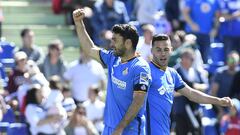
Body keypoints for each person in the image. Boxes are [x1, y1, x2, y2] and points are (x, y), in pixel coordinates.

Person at [73, 8, 151, 135]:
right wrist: (79, 23)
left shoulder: (140, 67)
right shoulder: (112, 59)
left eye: (115, 40)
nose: (111, 43)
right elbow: (89, 48)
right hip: (110, 128)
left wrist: (120, 128)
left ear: (128, 43)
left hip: (128, 130)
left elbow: (138, 101)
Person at [146, 34, 233, 135]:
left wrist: (218, 101)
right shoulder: (145, 72)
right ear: (152, 51)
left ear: (171, 50)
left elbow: (191, 94)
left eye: (166, 49)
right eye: (158, 50)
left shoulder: (172, 73)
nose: (163, 53)